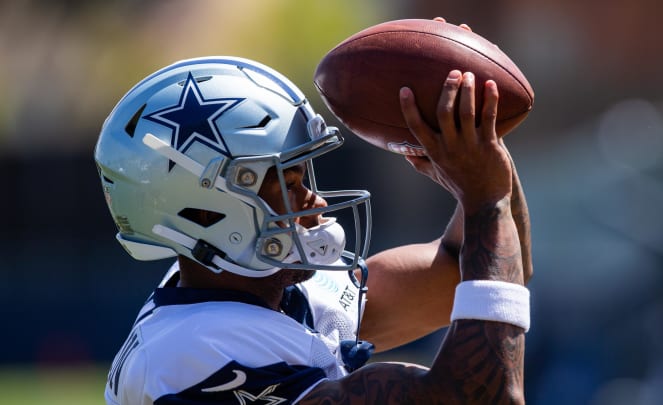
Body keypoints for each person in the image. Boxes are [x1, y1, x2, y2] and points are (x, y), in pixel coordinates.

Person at [97, 22, 533, 405]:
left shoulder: (271, 296)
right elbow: (480, 396)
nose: (316, 202)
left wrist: (482, 153)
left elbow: (469, 272)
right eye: (289, 186)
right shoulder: (189, 358)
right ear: (207, 214)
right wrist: (486, 199)